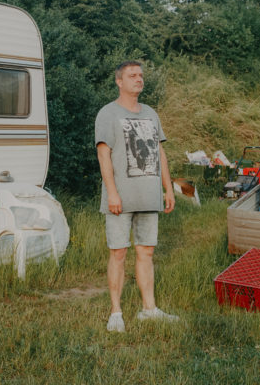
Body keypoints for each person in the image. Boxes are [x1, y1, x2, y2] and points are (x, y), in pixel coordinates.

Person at [95, 60, 179, 332]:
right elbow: (103, 155)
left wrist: (167, 188)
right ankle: (116, 313)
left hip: (149, 195)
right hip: (120, 198)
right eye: (132, 76)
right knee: (118, 253)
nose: (139, 79)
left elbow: (160, 152)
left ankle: (149, 309)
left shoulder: (151, 113)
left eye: (141, 75)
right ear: (119, 81)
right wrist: (112, 193)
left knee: (147, 251)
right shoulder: (108, 114)